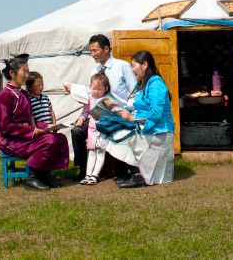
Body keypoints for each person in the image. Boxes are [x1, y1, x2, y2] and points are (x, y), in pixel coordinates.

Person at [64, 34, 137, 181]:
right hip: (97, 116)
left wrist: (130, 114)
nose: (92, 54)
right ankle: (84, 169)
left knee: (117, 129)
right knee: (77, 131)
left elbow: (133, 91)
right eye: (90, 51)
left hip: (118, 114)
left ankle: (124, 169)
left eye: (95, 50)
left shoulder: (122, 66)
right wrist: (75, 93)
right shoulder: (94, 72)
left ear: (106, 49)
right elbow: (89, 98)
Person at [100, 50, 175, 188]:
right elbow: (130, 107)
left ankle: (138, 175)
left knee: (121, 135)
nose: (132, 69)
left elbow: (156, 113)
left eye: (134, 66)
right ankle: (135, 173)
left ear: (144, 65)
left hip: (158, 132)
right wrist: (112, 111)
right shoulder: (139, 85)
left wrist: (132, 118)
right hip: (143, 129)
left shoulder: (156, 84)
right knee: (108, 131)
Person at [0, 56, 69, 191]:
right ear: (12, 73)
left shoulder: (23, 94)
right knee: (49, 141)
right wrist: (32, 132)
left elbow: (30, 119)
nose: (27, 75)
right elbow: (5, 127)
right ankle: (33, 178)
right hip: (9, 139)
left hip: (24, 135)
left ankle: (44, 174)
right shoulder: (5, 96)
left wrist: (48, 127)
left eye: (28, 72)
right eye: (24, 72)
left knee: (60, 138)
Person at [79, 73, 112, 185]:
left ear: (105, 88)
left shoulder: (107, 100)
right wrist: (81, 119)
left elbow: (115, 113)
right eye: (94, 89)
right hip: (92, 129)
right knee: (92, 151)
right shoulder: (90, 100)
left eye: (99, 89)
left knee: (100, 152)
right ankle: (88, 174)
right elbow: (85, 111)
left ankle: (95, 175)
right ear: (90, 87)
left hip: (103, 129)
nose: (96, 91)